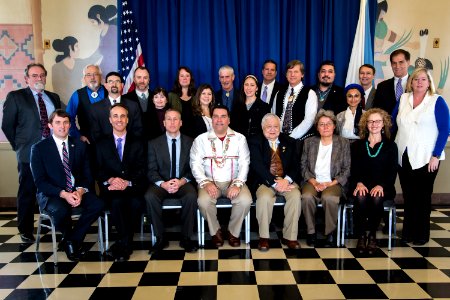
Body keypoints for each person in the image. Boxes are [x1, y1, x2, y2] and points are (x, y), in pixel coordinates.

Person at [30, 110, 104, 261]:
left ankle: (71, 239)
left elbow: (87, 174)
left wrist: (81, 191)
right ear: (50, 125)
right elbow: (40, 182)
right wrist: (64, 194)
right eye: (57, 122)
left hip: (77, 190)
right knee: (61, 210)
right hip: (53, 194)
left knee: (98, 204)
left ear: (70, 125)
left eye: (65, 122)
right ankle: (71, 241)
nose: (62, 126)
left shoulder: (79, 145)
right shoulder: (39, 149)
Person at [2, 63, 62, 243]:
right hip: (28, 152)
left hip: (52, 153)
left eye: (42, 75)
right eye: (35, 75)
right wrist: (19, 146)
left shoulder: (53, 97)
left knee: (53, 189)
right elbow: (7, 126)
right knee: (27, 190)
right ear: (26, 78)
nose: (39, 79)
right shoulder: (16, 97)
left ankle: (54, 224)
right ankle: (25, 229)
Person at [393, 67, 449, 245]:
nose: (419, 82)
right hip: (404, 155)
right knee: (409, 196)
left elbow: (445, 130)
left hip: (427, 157)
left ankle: (422, 233)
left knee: (423, 197)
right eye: (416, 79)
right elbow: (392, 124)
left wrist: (436, 155)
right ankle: (408, 232)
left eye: (423, 79)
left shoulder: (437, 101)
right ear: (411, 81)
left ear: (429, 83)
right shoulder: (403, 99)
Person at [190, 105, 252, 247]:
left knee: (245, 200)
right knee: (203, 202)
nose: (219, 120)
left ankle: (233, 232)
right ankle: (215, 231)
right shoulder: (201, 139)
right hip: (210, 181)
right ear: (212, 120)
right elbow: (195, 164)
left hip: (233, 181)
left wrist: (237, 184)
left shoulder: (239, 138)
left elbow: (244, 163)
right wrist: (206, 183)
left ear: (229, 120)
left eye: (223, 116)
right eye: (216, 116)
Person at [95, 104, 147, 261]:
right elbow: (97, 168)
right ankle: (126, 243)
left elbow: (142, 168)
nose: (119, 119)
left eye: (123, 116)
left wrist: (127, 182)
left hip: (132, 187)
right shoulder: (101, 142)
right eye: (115, 116)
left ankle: (123, 243)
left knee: (136, 203)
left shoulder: (138, 141)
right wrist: (111, 179)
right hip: (111, 189)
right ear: (110, 120)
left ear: (127, 119)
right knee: (117, 202)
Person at [145, 109, 198, 253]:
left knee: (191, 195)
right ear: (164, 123)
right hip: (161, 183)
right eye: (169, 119)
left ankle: (186, 237)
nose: (172, 122)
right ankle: (160, 237)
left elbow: (194, 168)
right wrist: (163, 183)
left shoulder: (191, 142)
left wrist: (181, 181)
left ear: (181, 123)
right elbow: (151, 170)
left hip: (183, 182)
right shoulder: (154, 143)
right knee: (150, 196)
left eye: (176, 119)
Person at [249, 113, 301, 251]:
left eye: (275, 126)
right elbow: (257, 166)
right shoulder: (255, 141)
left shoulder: (289, 141)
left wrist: (286, 180)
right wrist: (274, 183)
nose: (272, 129)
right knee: (265, 198)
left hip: (286, 181)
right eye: (269, 127)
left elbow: (296, 166)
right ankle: (264, 237)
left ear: (280, 127)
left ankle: (290, 237)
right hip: (265, 181)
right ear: (262, 127)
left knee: (295, 196)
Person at [350, 108, 398, 254]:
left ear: (383, 124)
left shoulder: (391, 146)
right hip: (361, 183)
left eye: (377, 121)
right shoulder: (357, 145)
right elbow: (353, 169)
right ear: (366, 124)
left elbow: (392, 171)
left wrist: (381, 185)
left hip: (383, 186)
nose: (374, 124)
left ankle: (372, 235)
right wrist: (358, 182)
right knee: (361, 195)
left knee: (376, 198)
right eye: (370, 121)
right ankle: (361, 235)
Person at [301, 110, 351, 247]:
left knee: (329, 197)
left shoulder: (343, 143)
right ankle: (311, 232)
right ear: (317, 127)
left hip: (333, 181)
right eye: (321, 124)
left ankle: (330, 232)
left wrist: (331, 183)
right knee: (306, 196)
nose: (325, 127)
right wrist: (313, 181)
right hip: (313, 180)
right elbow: (303, 166)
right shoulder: (309, 142)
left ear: (334, 125)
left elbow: (347, 169)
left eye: (328, 124)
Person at [90, 72, 142, 142]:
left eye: (117, 81)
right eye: (110, 82)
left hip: (129, 148)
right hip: (105, 149)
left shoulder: (133, 106)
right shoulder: (96, 108)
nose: (114, 85)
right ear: (105, 85)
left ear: (122, 85)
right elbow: (95, 134)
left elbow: (138, 130)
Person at [274, 60, 318, 140]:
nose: (292, 74)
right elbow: (273, 115)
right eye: (289, 71)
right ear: (286, 75)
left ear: (302, 74)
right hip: (279, 138)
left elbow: (309, 120)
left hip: (300, 140)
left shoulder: (310, 93)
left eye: (296, 72)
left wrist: (291, 137)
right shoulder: (279, 93)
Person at [51, 36, 101, 104]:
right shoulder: (56, 68)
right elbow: (58, 91)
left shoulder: (81, 63)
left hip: (82, 104)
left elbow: (94, 57)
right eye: (76, 46)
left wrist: (102, 38)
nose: (79, 49)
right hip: (65, 107)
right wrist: (72, 105)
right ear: (69, 47)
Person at [66, 64, 107, 144]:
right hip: (87, 142)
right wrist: (78, 136)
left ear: (100, 77)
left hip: (108, 141)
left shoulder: (109, 91)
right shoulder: (77, 95)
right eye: (88, 75)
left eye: (95, 74)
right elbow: (68, 118)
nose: (92, 77)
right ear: (84, 78)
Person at [373, 49, 411, 114]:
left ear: (408, 63)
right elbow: (377, 111)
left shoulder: (417, 85)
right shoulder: (382, 86)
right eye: (394, 63)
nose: (397, 66)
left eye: (401, 62)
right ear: (391, 64)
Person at [123, 66, 152, 141]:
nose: (142, 81)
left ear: (149, 80)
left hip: (154, 142)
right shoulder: (125, 99)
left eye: (145, 78)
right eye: (139, 77)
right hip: (133, 142)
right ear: (134, 79)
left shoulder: (157, 97)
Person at [88, 4, 118, 74]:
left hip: (112, 72)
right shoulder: (102, 34)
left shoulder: (113, 30)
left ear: (98, 17)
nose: (92, 25)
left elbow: (113, 56)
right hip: (104, 70)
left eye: (93, 22)